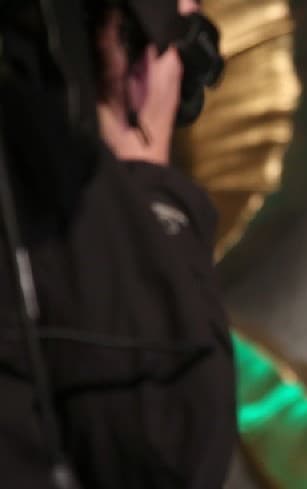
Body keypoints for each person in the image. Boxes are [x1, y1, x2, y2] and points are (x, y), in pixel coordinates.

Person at [0, 0, 235, 487]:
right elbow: (173, 449)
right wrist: (143, 169)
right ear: (125, 44)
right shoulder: (54, 204)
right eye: (181, 31)